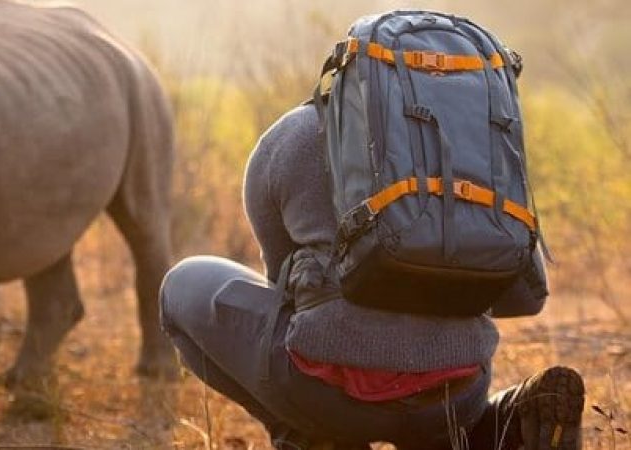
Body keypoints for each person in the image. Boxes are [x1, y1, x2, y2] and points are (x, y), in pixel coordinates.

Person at [159, 104, 585, 449]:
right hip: (458, 392)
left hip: (324, 393)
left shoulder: (294, 133)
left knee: (180, 284)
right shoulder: (482, 139)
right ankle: (496, 422)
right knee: (443, 413)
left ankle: (308, 437)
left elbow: (280, 288)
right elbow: (528, 298)